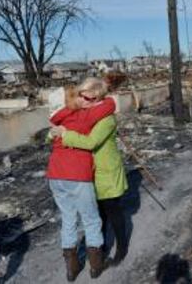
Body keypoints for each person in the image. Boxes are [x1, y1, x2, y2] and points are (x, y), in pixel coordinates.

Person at [51, 78, 129, 267]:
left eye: (87, 97)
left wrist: (64, 134)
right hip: (87, 172)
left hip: (106, 172)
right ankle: (99, 249)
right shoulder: (85, 112)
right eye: (80, 95)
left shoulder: (106, 119)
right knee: (98, 214)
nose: (82, 100)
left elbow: (90, 142)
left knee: (113, 211)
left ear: (97, 98)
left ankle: (121, 248)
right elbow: (62, 126)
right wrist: (53, 132)